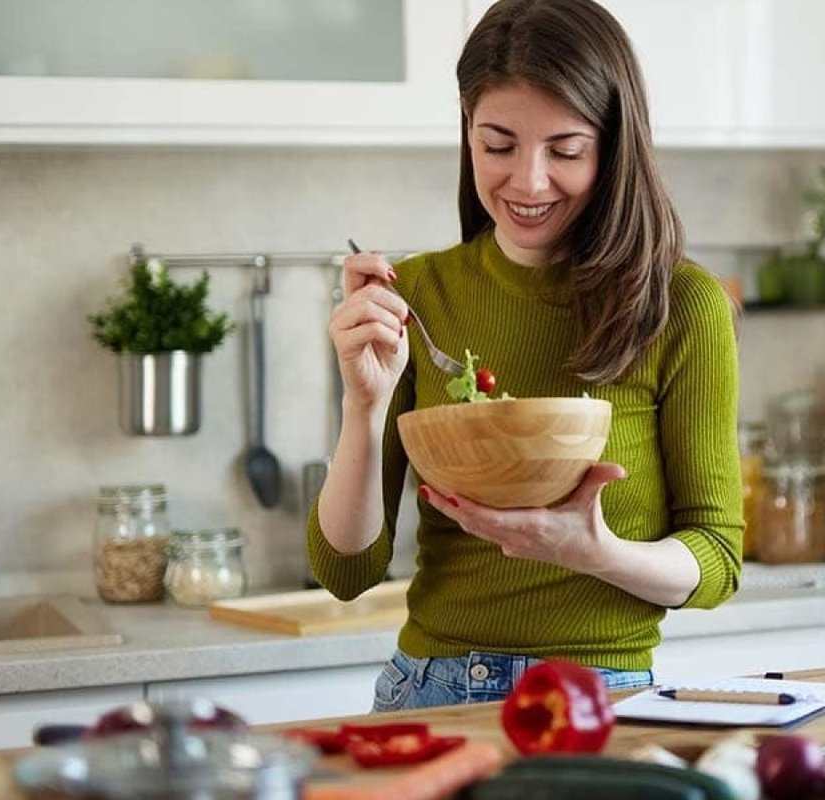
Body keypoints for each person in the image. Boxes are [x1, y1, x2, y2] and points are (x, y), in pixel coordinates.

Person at [309, 0, 743, 711]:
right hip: (432, 689)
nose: (529, 182)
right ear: (467, 130)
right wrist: (364, 404)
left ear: (613, 146)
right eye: (498, 145)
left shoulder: (682, 304)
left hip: (602, 697)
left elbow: (717, 561)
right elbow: (345, 571)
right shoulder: (417, 296)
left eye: (565, 151)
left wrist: (590, 549)